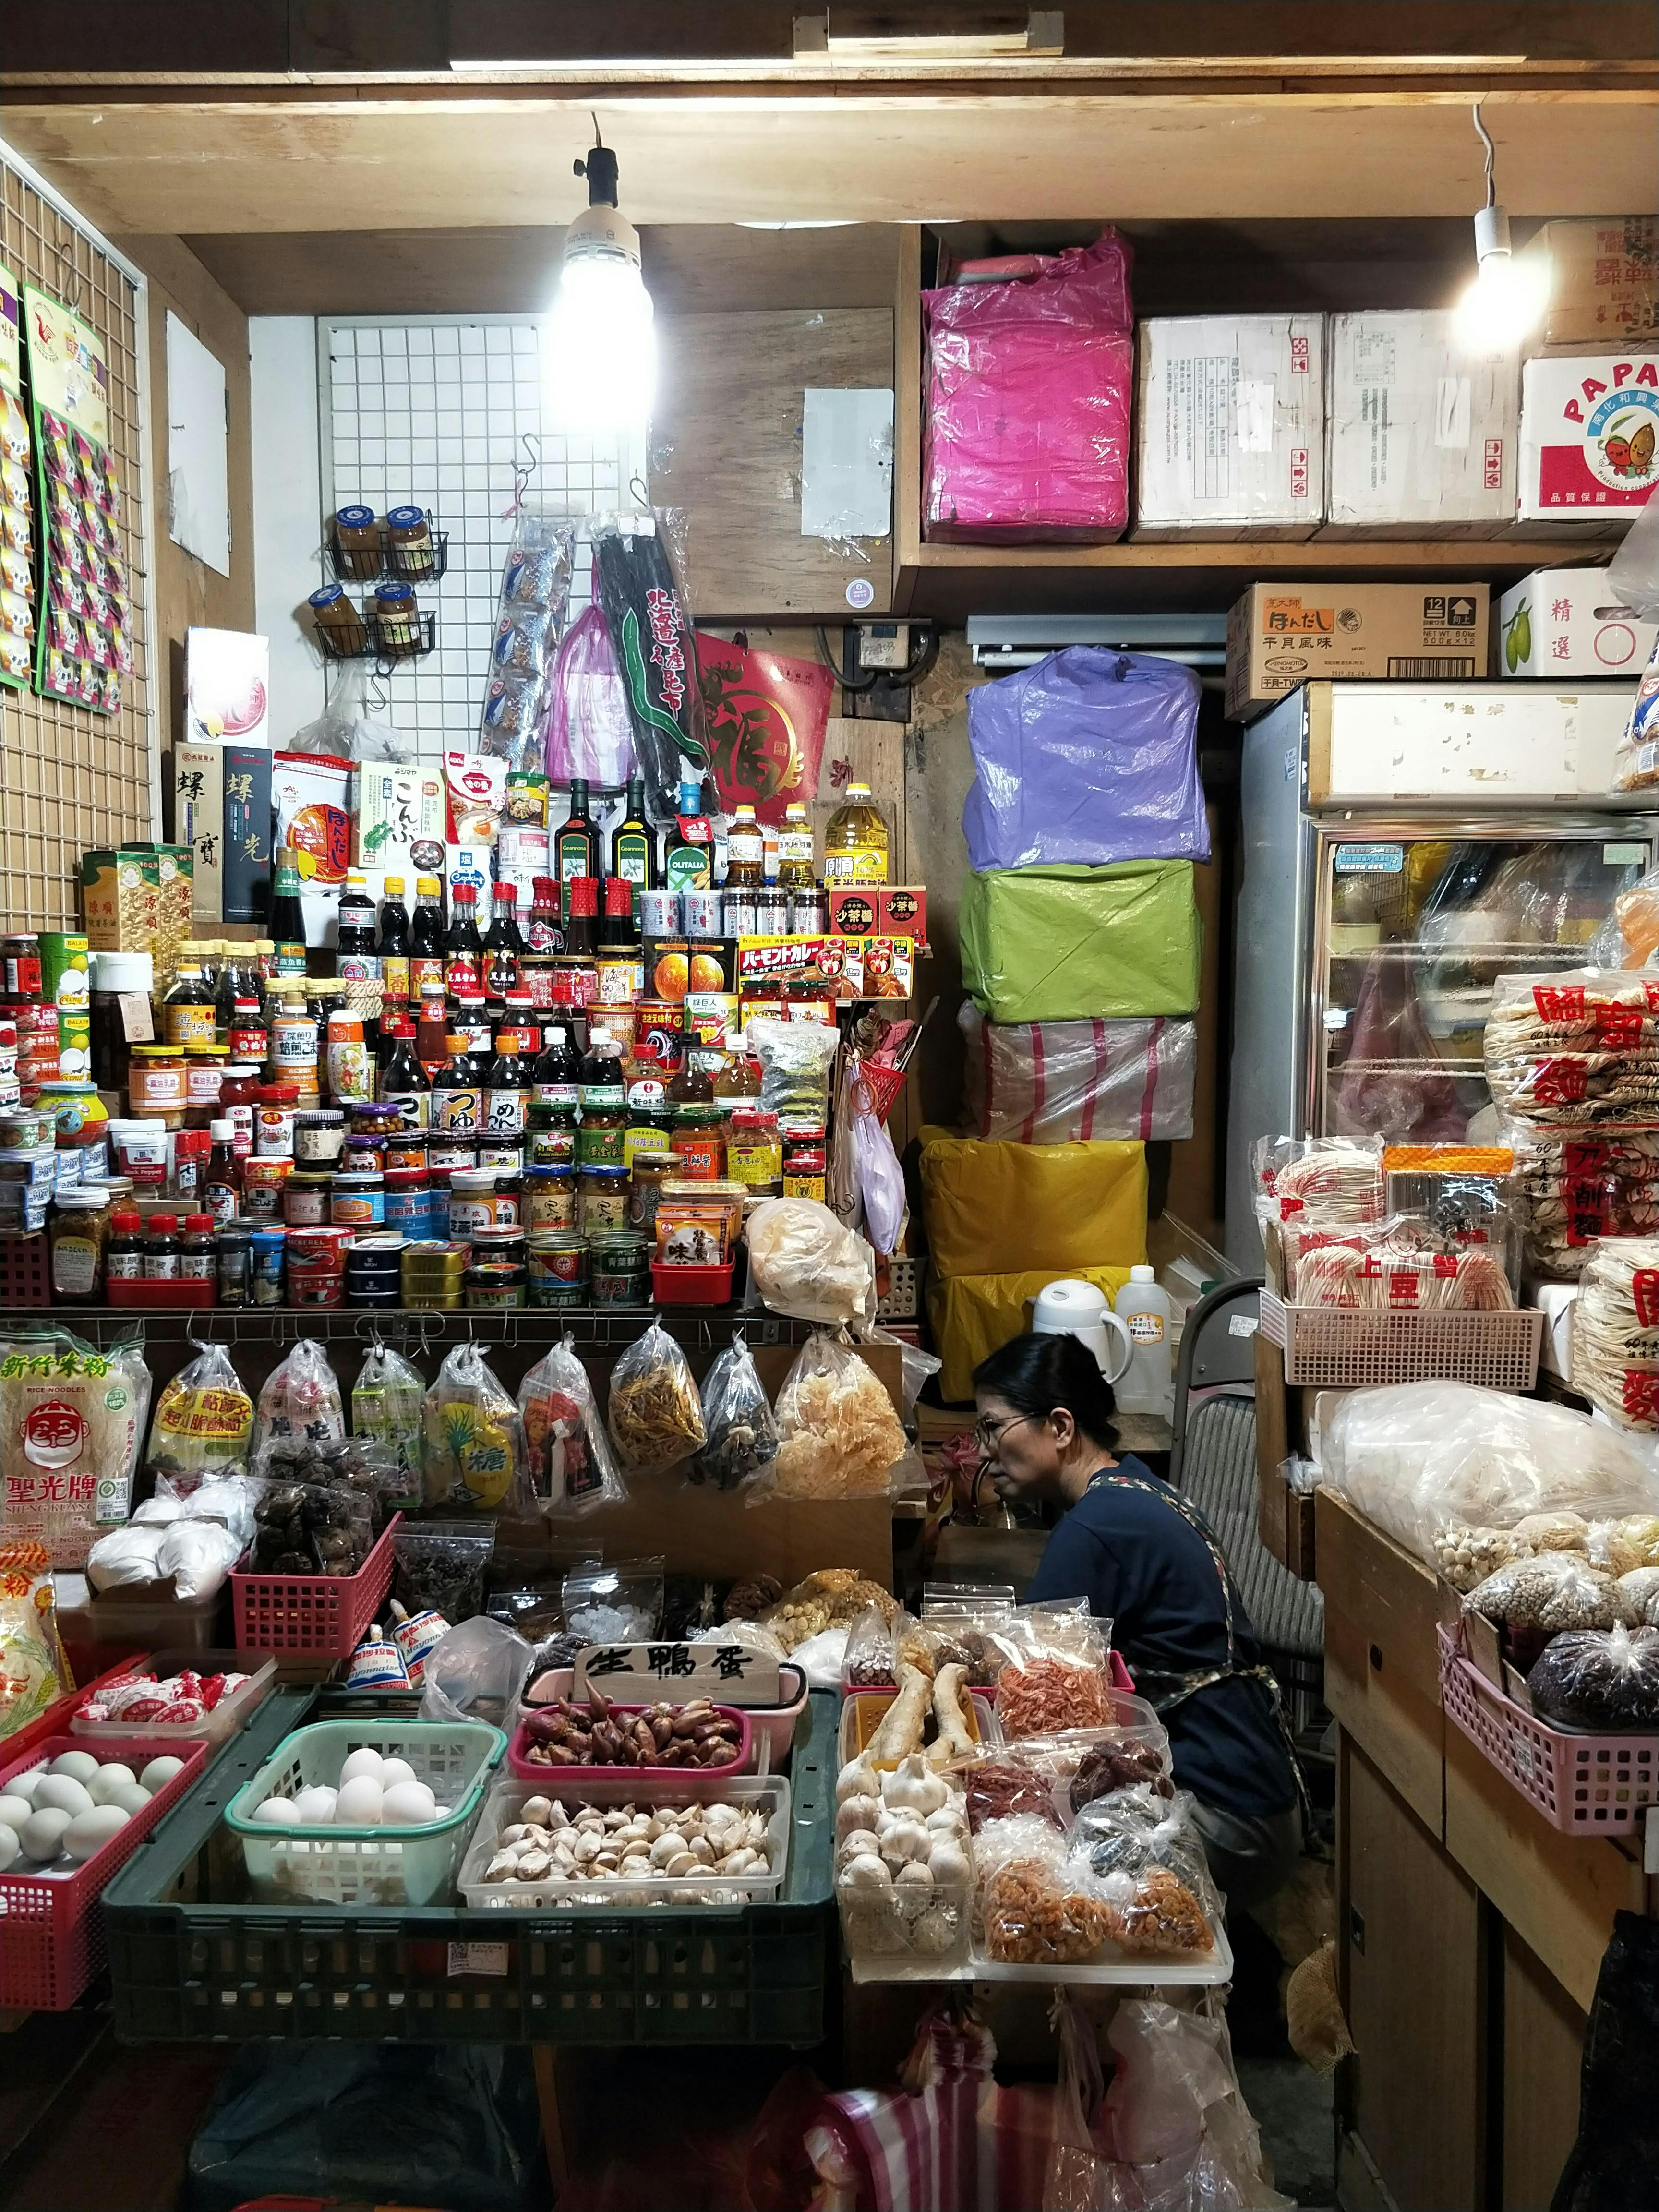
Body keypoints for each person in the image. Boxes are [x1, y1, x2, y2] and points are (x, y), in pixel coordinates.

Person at [972, 1329, 1303, 1911]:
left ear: (1060, 1426)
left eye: (993, 1427)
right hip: (1262, 1797)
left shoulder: (1095, 1528)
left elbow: (1019, 1689)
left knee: (1024, 1874)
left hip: (1224, 1816)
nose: (982, 1450)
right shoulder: (1134, 1490)